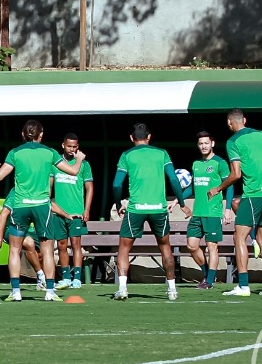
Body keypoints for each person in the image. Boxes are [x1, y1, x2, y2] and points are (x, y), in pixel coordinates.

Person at [0, 120, 84, 302]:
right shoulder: (50, 152)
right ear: (41, 135)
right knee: (47, 250)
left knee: (14, 249)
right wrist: (79, 159)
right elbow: (73, 171)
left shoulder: (15, 152)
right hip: (41, 206)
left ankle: (16, 292)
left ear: (23, 135)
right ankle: (49, 292)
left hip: (21, 206)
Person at [213, 109, 262, 297]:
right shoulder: (261, 135)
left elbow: (236, 174)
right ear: (245, 120)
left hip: (254, 194)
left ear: (230, 123)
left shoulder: (233, 142)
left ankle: (243, 286)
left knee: (239, 237)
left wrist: (217, 189)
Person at [110, 124, 189, 301]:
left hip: (136, 208)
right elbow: (174, 180)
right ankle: (172, 290)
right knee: (165, 247)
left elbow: (116, 184)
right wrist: (182, 203)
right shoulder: (162, 153)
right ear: (149, 137)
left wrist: (118, 204)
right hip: (158, 209)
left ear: (132, 138)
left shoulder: (126, 155)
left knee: (124, 247)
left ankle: (122, 288)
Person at [183, 132, 233, 289]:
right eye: (200, 143)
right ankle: (207, 274)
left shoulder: (220, 163)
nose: (203, 146)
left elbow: (229, 185)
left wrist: (228, 209)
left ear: (212, 143)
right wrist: (178, 200)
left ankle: (209, 281)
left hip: (213, 212)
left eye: (206, 143)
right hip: (197, 212)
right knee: (191, 245)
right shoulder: (196, 164)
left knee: (212, 246)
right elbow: (192, 187)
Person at [44, 133, 92, 289]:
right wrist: (48, 203)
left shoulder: (84, 164)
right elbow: (49, 187)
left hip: (77, 212)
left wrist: (87, 209)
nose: (72, 149)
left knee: (76, 245)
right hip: (59, 212)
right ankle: (66, 277)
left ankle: (77, 278)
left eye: (75, 146)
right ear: (63, 145)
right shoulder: (55, 164)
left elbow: (90, 188)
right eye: (69, 146)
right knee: (62, 245)